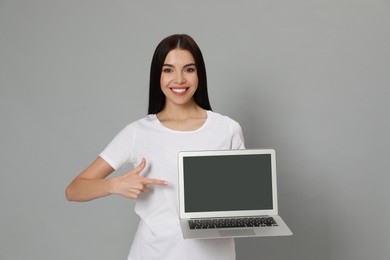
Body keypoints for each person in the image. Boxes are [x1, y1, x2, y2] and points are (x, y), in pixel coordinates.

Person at [66, 34, 245, 260]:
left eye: (189, 69)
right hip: (153, 253)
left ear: (199, 74)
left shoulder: (227, 129)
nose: (179, 79)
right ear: (157, 76)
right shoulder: (137, 133)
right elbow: (74, 190)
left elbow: (240, 203)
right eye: (168, 70)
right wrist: (115, 185)